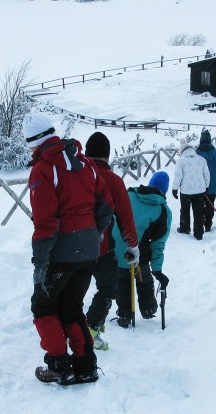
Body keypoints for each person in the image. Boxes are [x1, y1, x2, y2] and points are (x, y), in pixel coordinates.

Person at [25, 114, 115, 386]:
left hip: (61, 252)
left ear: (32, 142)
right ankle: (86, 367)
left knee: (43, 306)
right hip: (89, 250)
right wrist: (96, 232)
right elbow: (105, 205)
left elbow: (45, 222)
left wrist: (40, 262)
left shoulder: (43, 169)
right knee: (72, 308)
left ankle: (58, 366)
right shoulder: (85, 162)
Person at [83, 132, 139, 351]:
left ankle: (70, 333)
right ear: (107, 156)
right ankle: (91, 331)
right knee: (107, 288)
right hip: (102, 248)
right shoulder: (113, 181)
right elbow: (125, 217)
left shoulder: (75, 175)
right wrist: (132, 245)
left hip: (71, 247)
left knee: (73, 293)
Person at [112, 171, 172, 327]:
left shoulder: (129, 194)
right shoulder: (163, 210)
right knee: (143, 275)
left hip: (115, 247)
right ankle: (148, 309)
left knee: (123, 279)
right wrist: (157, 270)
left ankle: (124, 315)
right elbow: (158, 244)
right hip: (136, 252)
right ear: (164, 190)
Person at [171, 138, 210, 240]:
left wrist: (175, 189)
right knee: (199, 212)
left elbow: (178, 176)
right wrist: (206, 186)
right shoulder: (201, 159)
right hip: (200, 191)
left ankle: (185, 228)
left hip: (186, 192)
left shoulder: (181, 161)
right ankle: (199, 233)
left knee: (184, 210)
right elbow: (206, 174)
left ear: (182, 151)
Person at [195, 129, 216, 232]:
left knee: (200, 204)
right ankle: (208, 223)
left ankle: (201, 222)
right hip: (213, 184)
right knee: (210, 204)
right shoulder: (215, 153)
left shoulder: (197, 153)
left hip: (200, 184)